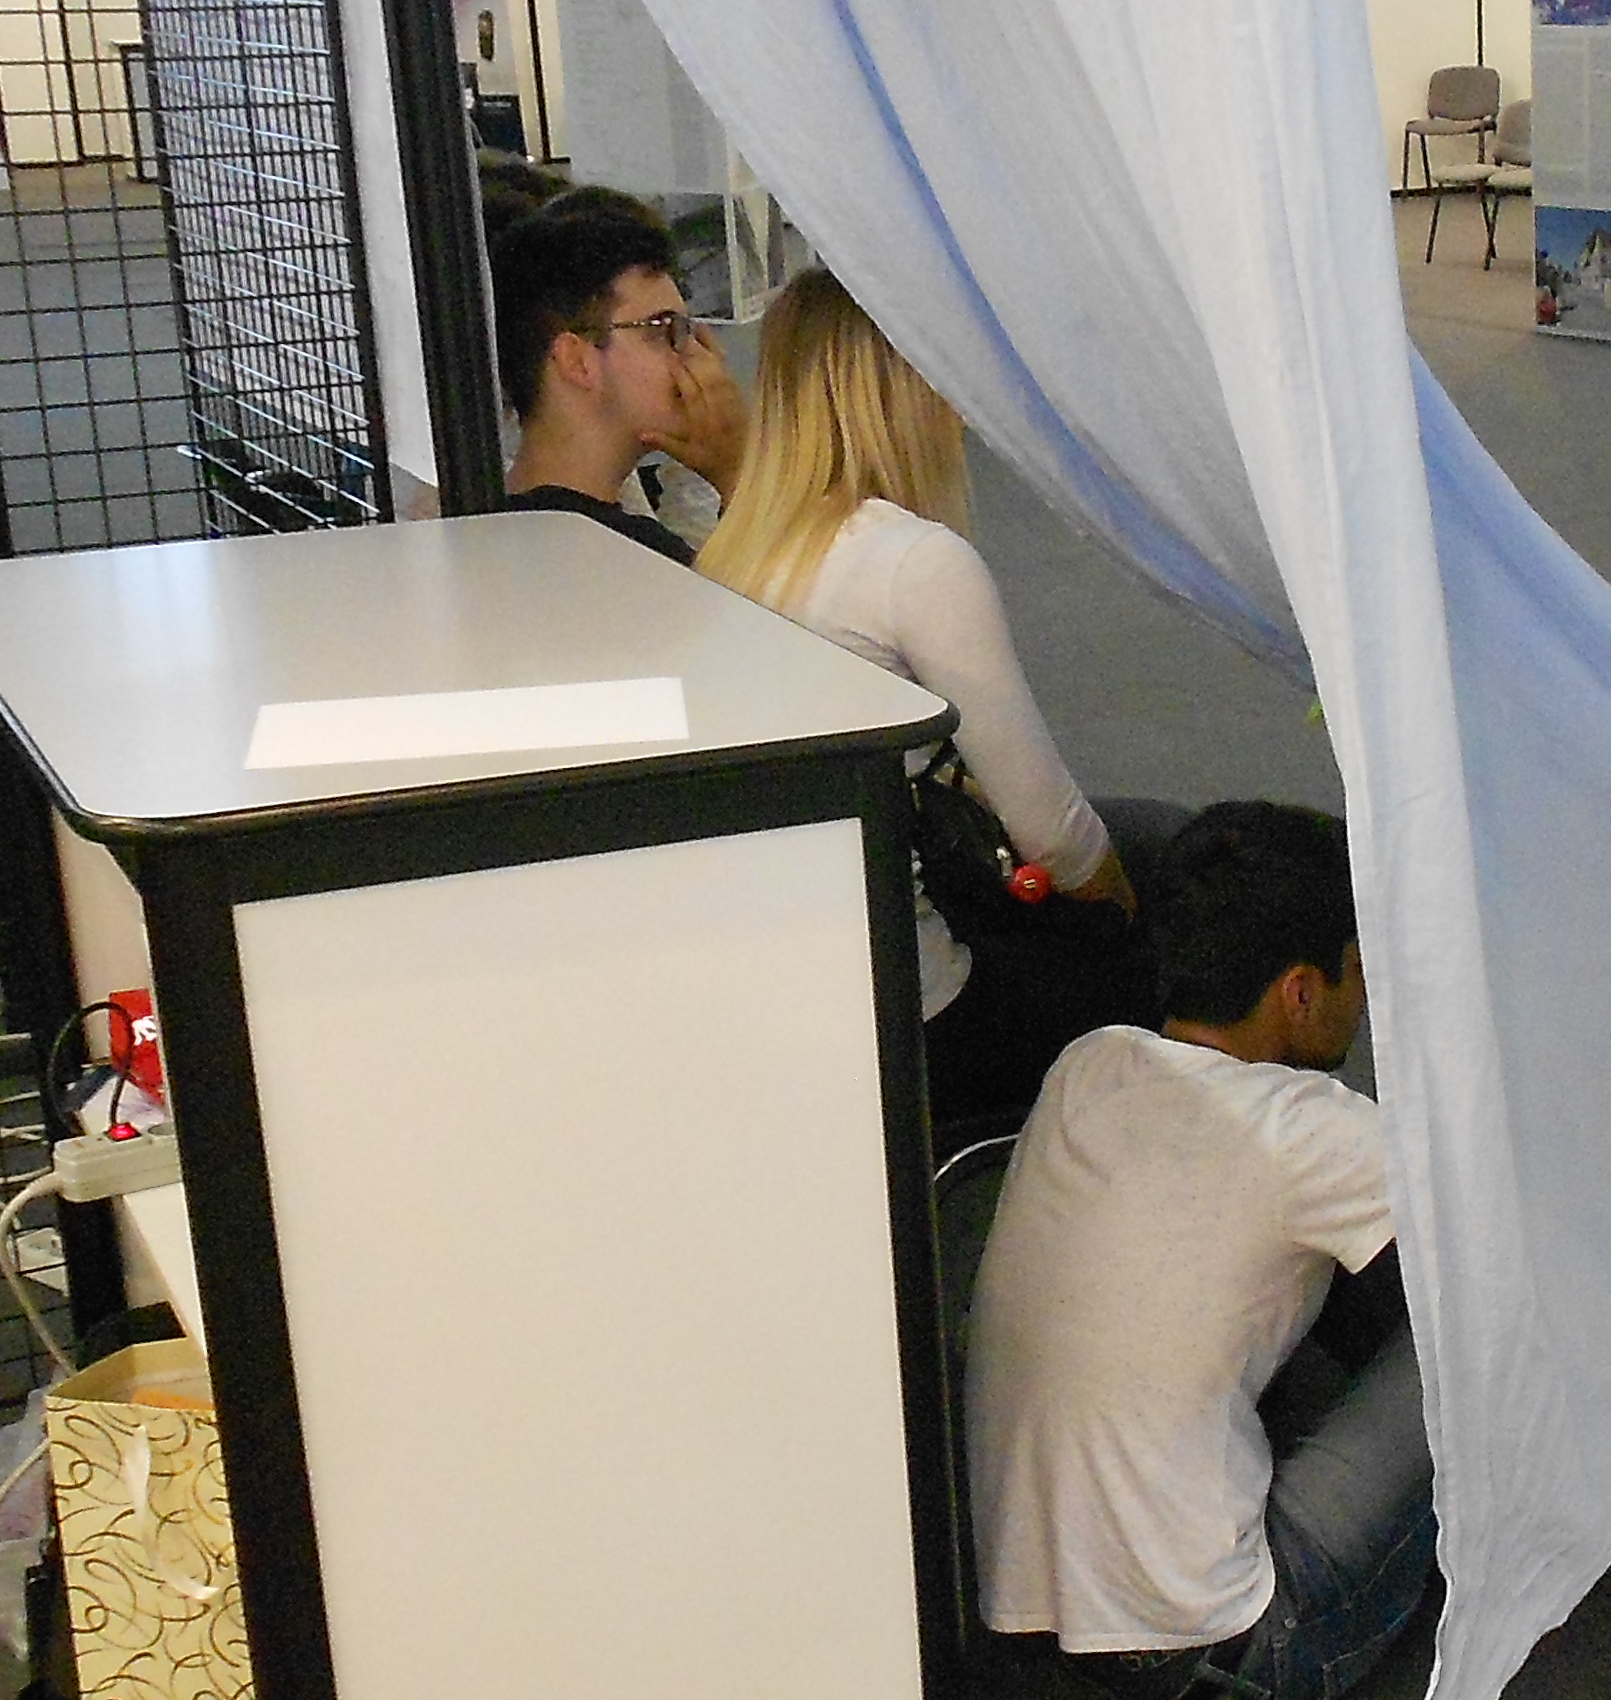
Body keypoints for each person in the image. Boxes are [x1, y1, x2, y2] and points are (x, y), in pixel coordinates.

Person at [966, 801, 1433, 1700]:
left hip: (1039, 1597)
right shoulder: (1314, 1136)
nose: (1367, 996)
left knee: (1298, 1255)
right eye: (1358, 970)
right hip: (1223, 1647)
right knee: (1485, 1340)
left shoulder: (1089, 1064)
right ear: (1300, 991)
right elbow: (1514, 1254)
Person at [697, 268, 1149, 1118]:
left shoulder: (732, 553)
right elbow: (1054, 836)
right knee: (1177, 905)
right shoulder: (912, 564)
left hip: (784, 993)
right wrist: (1127, 912)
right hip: (921, 1009)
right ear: (901, 388)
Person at [478, 191, 748, 560]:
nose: (700, 356)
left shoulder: (484, 532)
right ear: (576, 361)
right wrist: (736, 472)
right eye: (664, 329)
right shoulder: (632, 560)